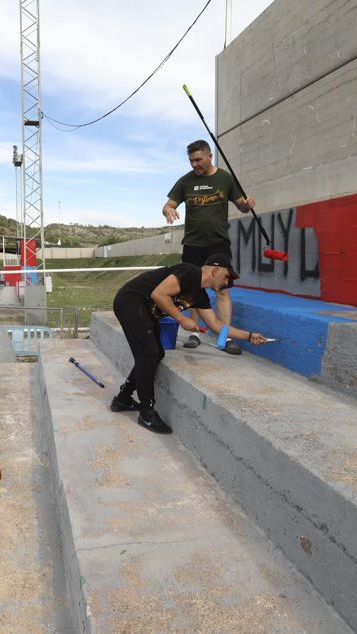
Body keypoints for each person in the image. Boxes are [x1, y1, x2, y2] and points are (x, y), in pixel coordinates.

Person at [111, 254, 273, 434]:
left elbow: (217, 326)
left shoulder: (200, 296)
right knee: (148, 355)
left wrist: (249, 336)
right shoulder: (190, 272)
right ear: (215, 270)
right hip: (130, 302)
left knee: (156, 354)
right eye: (227, 277)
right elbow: (159, 294)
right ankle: (146, 412)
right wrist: (181, 319)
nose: (228, 283)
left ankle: (123, 399)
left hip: (143, 311)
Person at [163, 139, 256, 354]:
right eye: (191, 161)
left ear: (209, 156)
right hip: (192, 244)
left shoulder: (225, 178)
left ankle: (226, 336)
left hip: (218, 244)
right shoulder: (185, 181)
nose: (194, 164)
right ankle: (195, 333)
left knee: (222, 291)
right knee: (192, 290)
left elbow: (242, 205)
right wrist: (168, 210)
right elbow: (168, 204)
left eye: (198, 160)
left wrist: (247, 204)